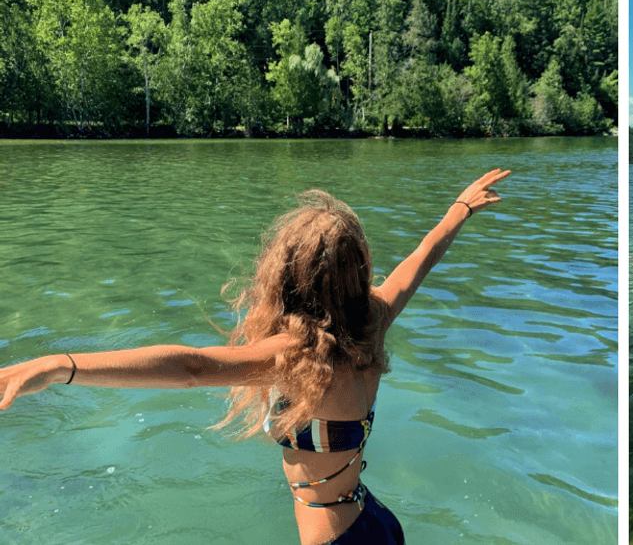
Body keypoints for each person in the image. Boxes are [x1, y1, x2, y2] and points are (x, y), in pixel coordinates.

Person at [0, 169, 511, 545]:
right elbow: (420, 260)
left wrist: (58, 366)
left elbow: (191, 366)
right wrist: (458, 210)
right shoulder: (373, 320)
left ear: (288, 275)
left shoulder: (300, 353)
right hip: (374, 522)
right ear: (359, 273)